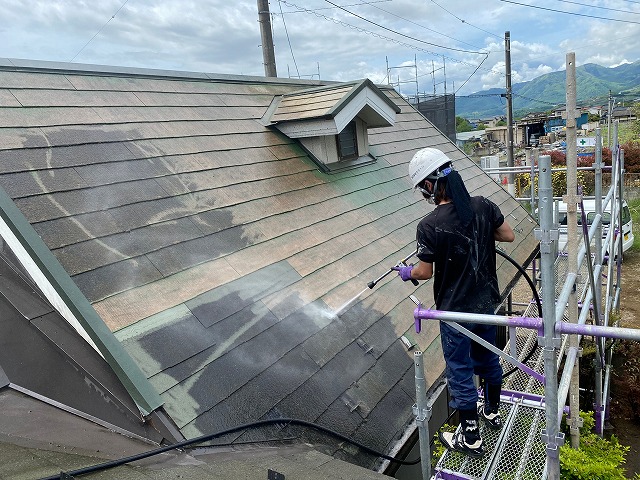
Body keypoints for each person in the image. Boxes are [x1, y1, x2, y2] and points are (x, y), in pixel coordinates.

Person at [392, 147, 515, 457]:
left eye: (422, 188)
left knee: (460, 370)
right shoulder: (483, 206)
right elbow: (508, 235)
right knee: (488, 359)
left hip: (455, 312)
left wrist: (408, 273)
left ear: (431, 184)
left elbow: (424, 270)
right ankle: (492, 412)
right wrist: (478, 234)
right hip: (487, 305)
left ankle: (471, 439)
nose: (424, 194)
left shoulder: (429, 225)